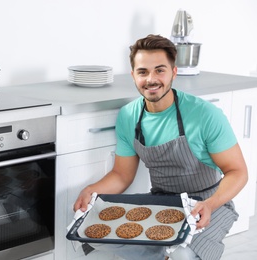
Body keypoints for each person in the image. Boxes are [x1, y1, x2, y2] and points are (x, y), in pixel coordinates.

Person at [73, 34, 248, 260]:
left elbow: (238, 172)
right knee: (92, 236)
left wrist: (211, 204)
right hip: (161, 201)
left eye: (160, 70)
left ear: (173, 73)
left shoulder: (204, 114)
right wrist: (91, 191)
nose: (151, 79)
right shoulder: (129, 116)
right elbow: (121, 175)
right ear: (133, 75)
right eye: (143, 72)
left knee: (182, 255)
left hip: (210, 202)